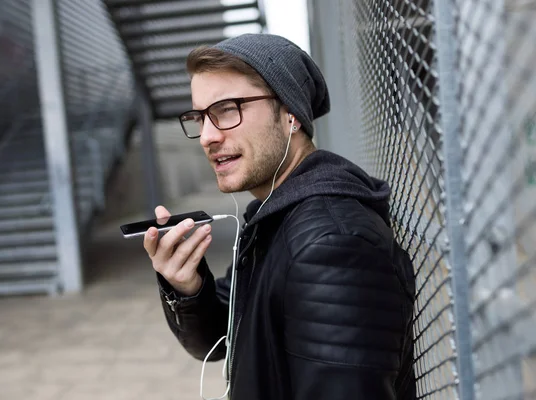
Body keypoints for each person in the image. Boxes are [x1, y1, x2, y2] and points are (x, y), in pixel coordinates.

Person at [143, 33, 416, 400]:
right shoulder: (275, 215)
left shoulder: (333, 244)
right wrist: (188, 287)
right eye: (199, 117)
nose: (207, 136)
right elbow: (228, 335)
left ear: (290, 115)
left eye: (226, 110)